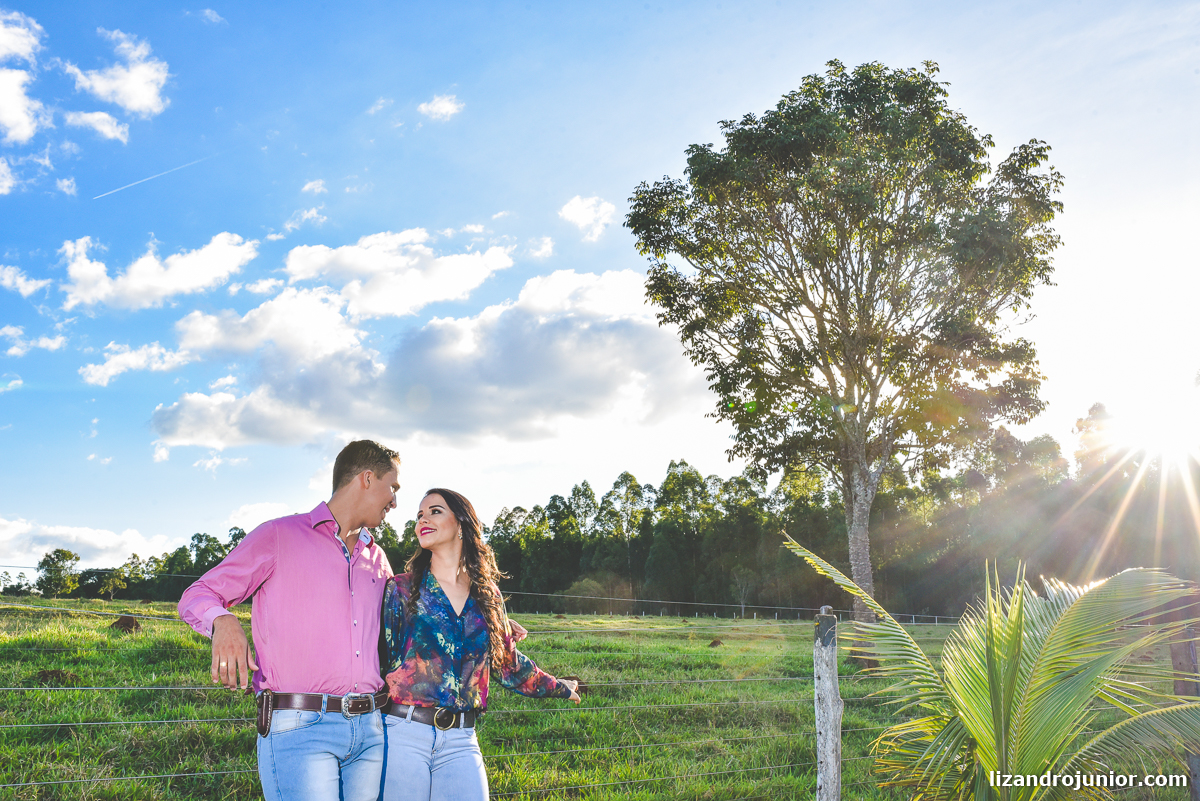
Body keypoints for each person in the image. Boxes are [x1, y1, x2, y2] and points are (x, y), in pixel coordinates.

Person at [179, 440, 401, 801]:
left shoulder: (378, 558)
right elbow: (198, 594)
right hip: (300, 729)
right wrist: (224, 621)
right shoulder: (279, 536)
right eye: (392, 487)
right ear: (367, 478)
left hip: (371, 730)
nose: (395, 500)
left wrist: (491, 622)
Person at [379, 488, 581, 801]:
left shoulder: (488, 597)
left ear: (460, 523)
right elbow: (380, 662)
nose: (422, 520)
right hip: (403, 734)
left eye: (434, 511)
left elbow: (508, 666)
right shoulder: (402, 589)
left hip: (461, 739)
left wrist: (559, 686)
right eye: (419, 515)